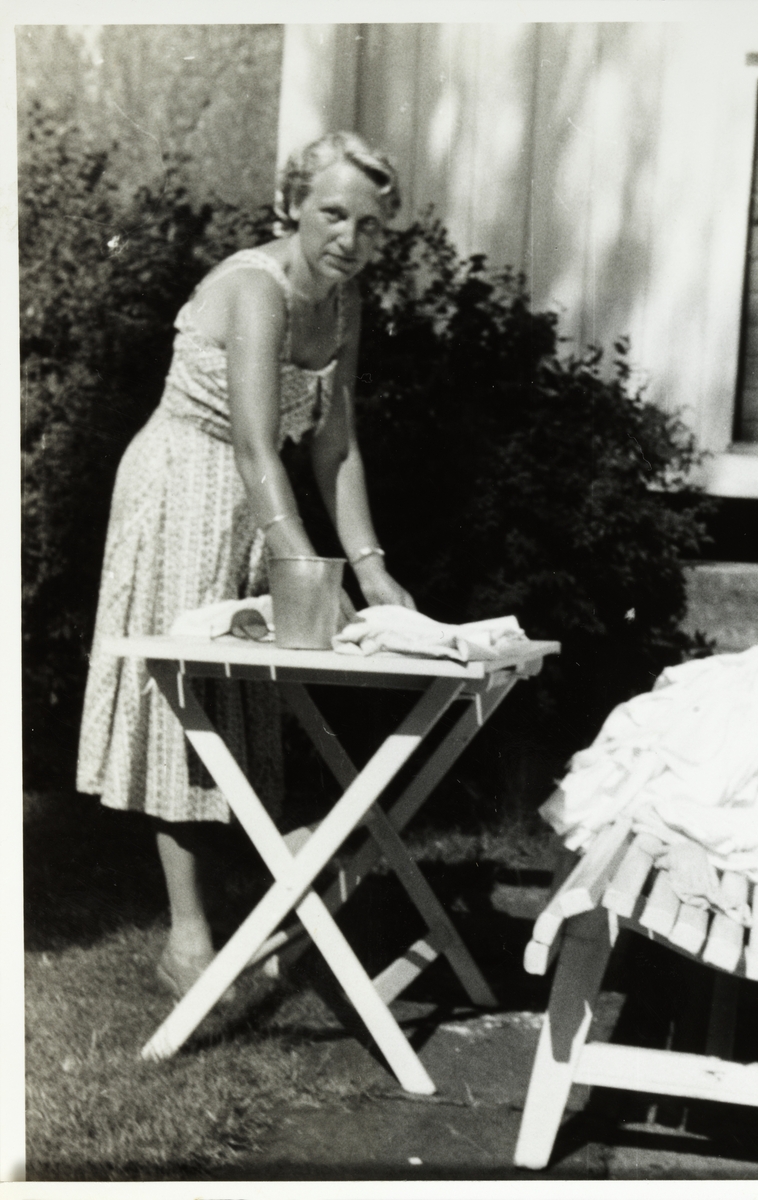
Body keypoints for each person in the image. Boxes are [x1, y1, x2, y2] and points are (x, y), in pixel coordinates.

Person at [76, 132, 415, 999]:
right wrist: (310, 568)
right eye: (333, 214)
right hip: (184, 479)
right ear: (295, 207)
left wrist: (372, 569)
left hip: (247, 496)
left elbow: (336, 447)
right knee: (185, 702)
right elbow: (262, 446)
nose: (349, 237)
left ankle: (276, 881)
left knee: (249, 695)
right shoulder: (256, 288)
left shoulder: (344, 304)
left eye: (370, 226)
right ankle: (188, 938)